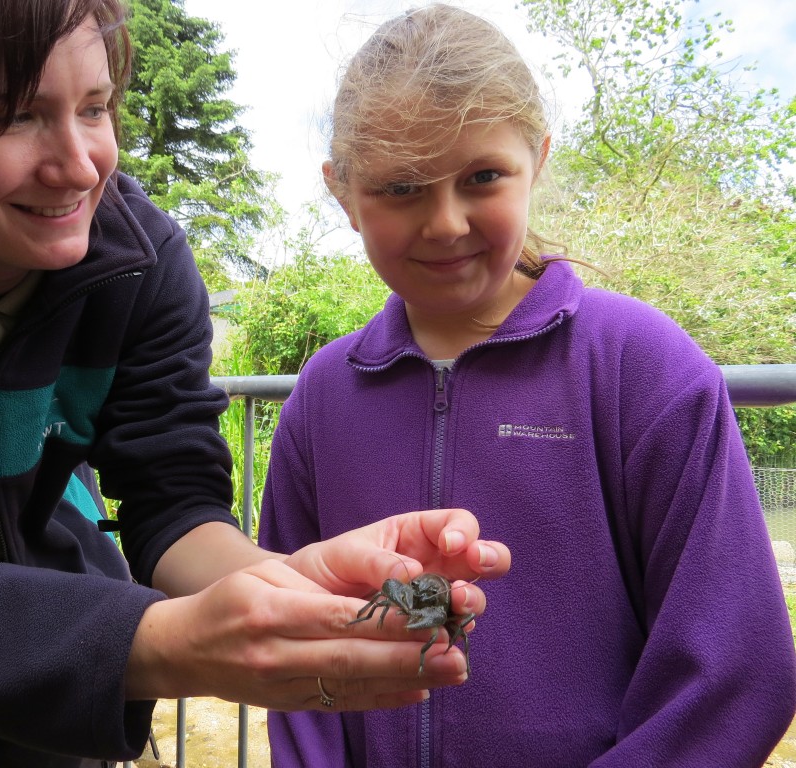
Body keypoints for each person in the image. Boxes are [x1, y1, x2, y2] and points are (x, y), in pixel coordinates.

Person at [0, 1, 514, 765]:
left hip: (56, 672)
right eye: (16, 117)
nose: (82, 164)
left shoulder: (139, 258)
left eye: (95, 108)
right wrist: (161, 642)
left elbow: (173, 503)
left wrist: (289, 590)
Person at [258, 4, 796, 766]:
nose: (445, 223)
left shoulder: (642, 366)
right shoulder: (322, 396)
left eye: (482, 177)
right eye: (401, 188)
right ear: (342, 191)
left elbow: (736, 671)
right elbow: (296, 640)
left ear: (537, 159)